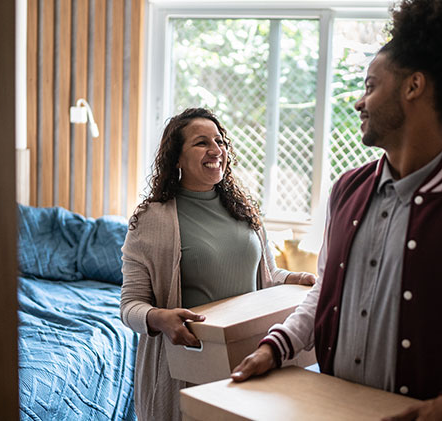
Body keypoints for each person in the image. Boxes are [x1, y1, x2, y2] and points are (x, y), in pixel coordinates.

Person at [231, 1, 442, 420]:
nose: (359, 103)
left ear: (413, 87)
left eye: (370, 86)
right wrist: (276, 346)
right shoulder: (345, 190)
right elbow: (324, 293)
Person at [120, 107, 315, 421]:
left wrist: (295, 278)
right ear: (177, 158)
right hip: (192, 365)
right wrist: (160, 318)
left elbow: (267, 275)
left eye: (220, 141)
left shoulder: (243, 210)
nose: (216, 150)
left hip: (252, 355)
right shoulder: (152, 219)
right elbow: (130, 306)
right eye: (201, 143)